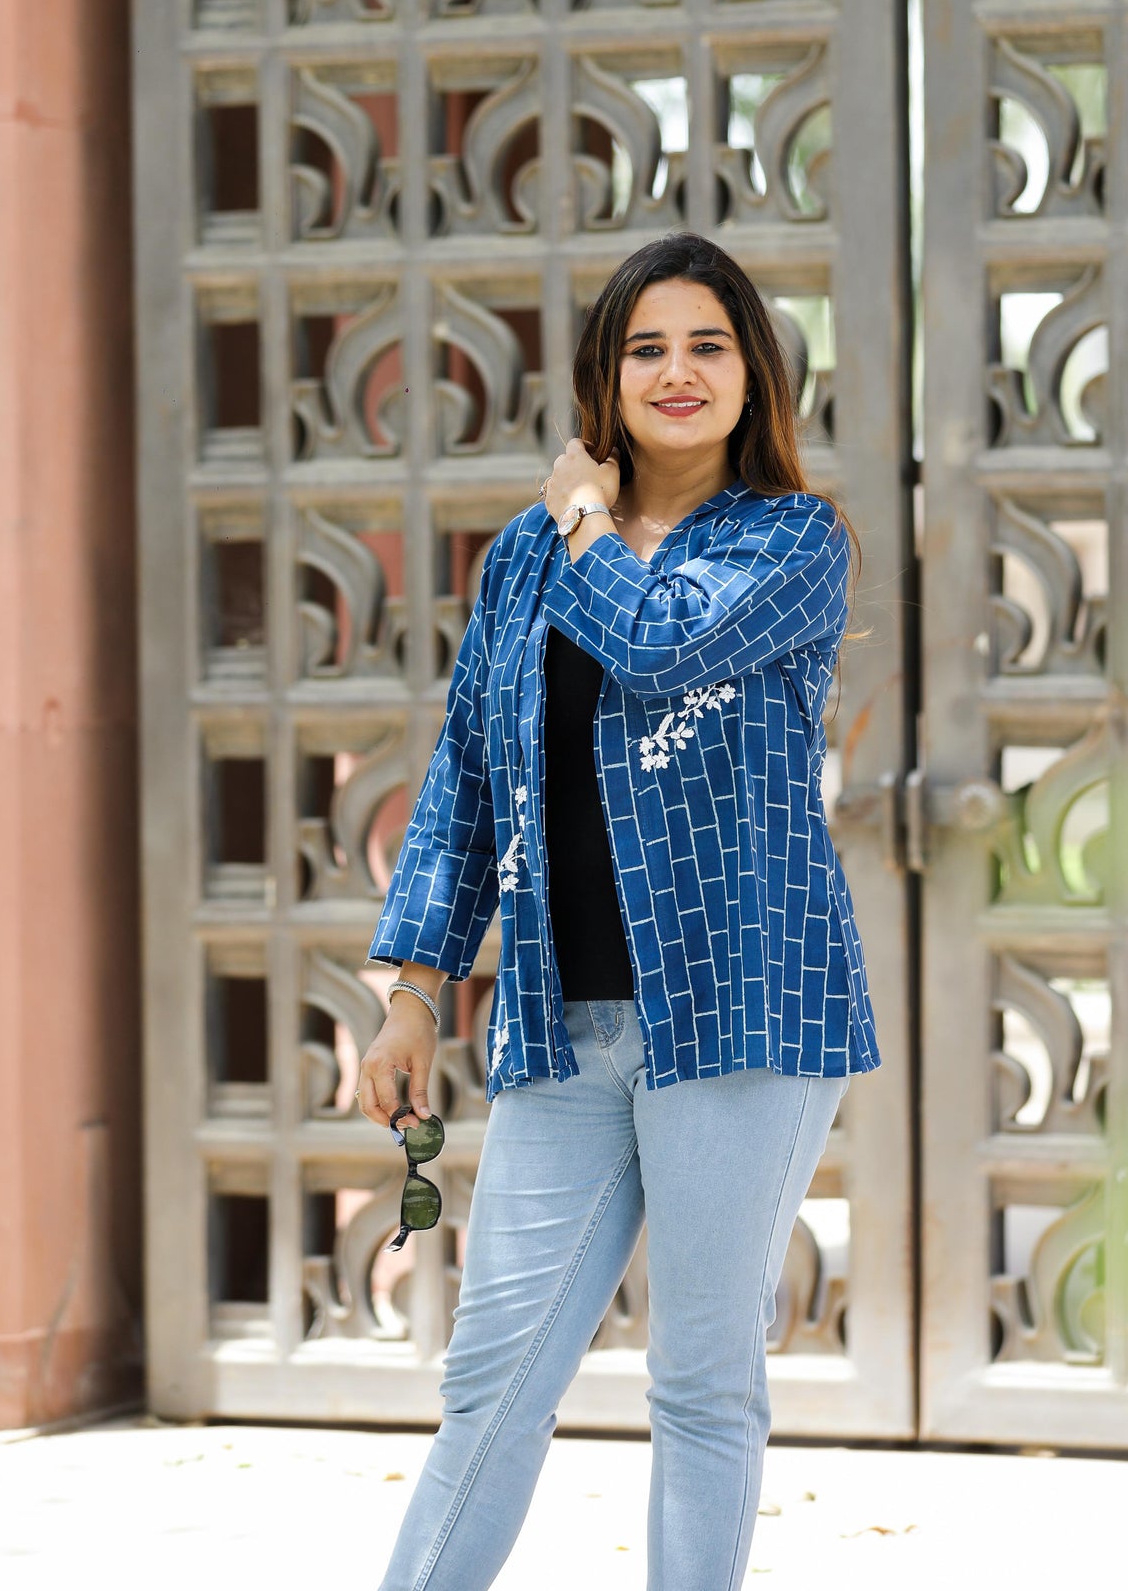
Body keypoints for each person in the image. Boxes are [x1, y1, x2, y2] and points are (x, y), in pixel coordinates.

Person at [355, 231, 882, 1591]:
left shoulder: (790, 539)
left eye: (708, 344)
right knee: (492, 1373)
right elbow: (467, 773)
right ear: (607, 373)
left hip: (745, 1011)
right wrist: (411, 992)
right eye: (646, 346)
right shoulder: (526, 559)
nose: (677, 371)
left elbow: (657, 643)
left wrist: (586, 517)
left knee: (702, 1378)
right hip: (558, 1021)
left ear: (753, 372)